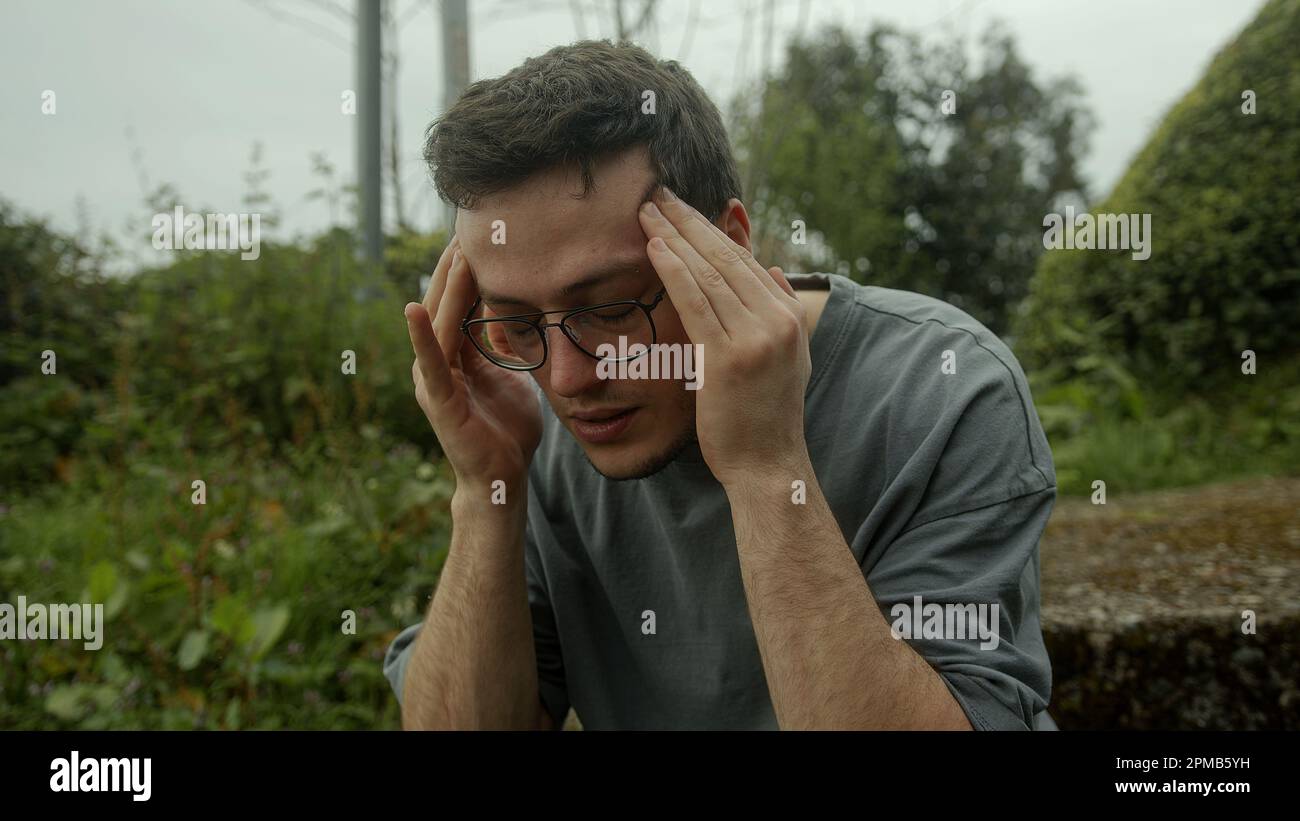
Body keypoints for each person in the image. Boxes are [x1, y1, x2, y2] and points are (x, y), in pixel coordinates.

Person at [384, 39, 1057, 730]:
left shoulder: (940, 390)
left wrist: (767, 466)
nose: (567, 377)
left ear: (731, 244)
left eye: (613, 308)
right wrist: (486, 489)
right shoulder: (532, 427)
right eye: (517, 324)